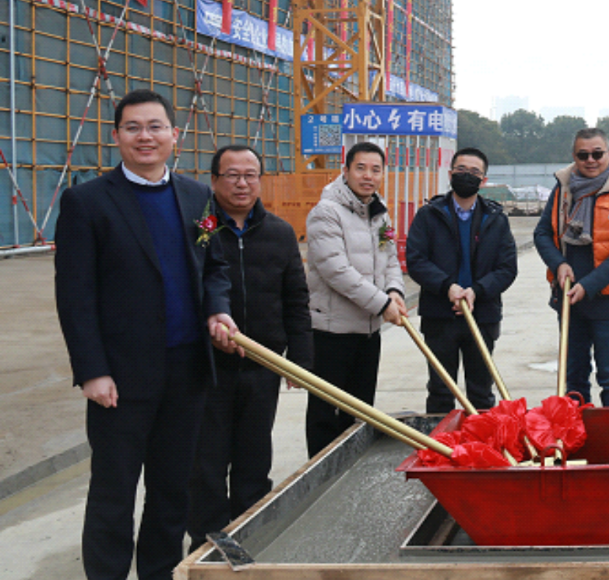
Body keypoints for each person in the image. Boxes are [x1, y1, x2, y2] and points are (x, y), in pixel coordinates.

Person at [54, 89, 237, 580]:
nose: (145, 136)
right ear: (117, 137)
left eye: (155, 126)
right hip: (121, 378)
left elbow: (214, 266)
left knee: (171, 491)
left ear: (174, 135)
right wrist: (92, 370)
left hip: (186, 370)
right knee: (113, 496)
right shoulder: (87, 202)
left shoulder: (196, 196)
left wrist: (218, 308)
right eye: (133, 127)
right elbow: (75, 295)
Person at [188, 145, 312, 552]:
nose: (242, 184)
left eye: (250, 175)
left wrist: (300, 360)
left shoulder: (279, 232)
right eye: (232, 175)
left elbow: (296, 299)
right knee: (206, 466)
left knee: (254, 462)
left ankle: (251, 542)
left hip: (262, 366)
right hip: (208, 369)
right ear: (214, 180)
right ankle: (207, 550)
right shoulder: (199, 230)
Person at [305, 141, 407, 456]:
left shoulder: (380, 214)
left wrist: (394, 291)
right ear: (345, 170)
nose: (368, 176)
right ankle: (322, 473)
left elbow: (390, 259)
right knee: (327, 413)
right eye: (360, 168)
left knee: (361, 410)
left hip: (368, 331)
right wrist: (382, 304)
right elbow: (336, 271)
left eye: (375, 170)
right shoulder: (325, 213)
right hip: (331, 332)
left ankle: (351, 467)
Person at [534, 128, 609, 406]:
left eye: (597, 153)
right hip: (568, 298)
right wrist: (559, 264)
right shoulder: (562, 190)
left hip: (608, 301)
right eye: (583, 155)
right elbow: (542, 233)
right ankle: (576, 428)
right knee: (574, 377)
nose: (590, 160)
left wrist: (588, 285)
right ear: (574, 156)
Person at [406, 147, 518, 412]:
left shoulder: (496, 219)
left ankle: (482, 439)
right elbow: (416, 260)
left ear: (484, 180)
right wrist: (447, 287)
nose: (467, 175)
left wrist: (477, 291)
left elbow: (507, 268)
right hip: (439, 316)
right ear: (450, 174)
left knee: (481, 393)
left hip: (483, 315)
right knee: (440, 391)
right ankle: (442, 438)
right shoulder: (429, 215)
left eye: (474, 172)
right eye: (461, 170)